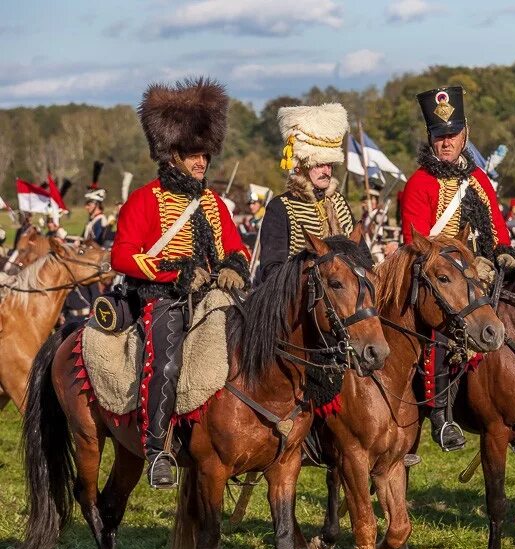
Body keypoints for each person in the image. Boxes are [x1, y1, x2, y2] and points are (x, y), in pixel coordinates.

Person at [110, 78, 250, 488]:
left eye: (205, 153)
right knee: (167, 359)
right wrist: (179, 272)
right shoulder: (144, 199)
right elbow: (122, 256)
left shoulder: (213, 203)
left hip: (213, 297)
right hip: (161, 296)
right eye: (193, 154)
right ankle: (157, 450)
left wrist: (233, 268)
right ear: (172, 154)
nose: (201, 161)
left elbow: (237, 248)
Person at [399, 85, 515, 452]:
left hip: (477, 270)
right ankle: (441, 415)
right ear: (430, 139)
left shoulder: (478, 180)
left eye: (452, 135)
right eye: (439, 136)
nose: (446, 142)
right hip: (435, 273)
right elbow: (415, 240)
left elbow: (496, 223)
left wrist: (503, 251)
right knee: (441, 324)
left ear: (465, 135)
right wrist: (462, 261)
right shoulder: (419, 183)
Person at [256, 103, 356, 283]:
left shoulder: (339, 203)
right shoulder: (280, 207)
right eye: (319, 165)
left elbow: (361, 254)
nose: (326, 171)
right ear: (301, 166)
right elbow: (271, 269)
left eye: (329, 165)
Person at [83, 161, 112, 247]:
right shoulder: (92, 221)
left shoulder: (100, 220)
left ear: (97, 204)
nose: (86, 207)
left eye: (89, 204)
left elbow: (97, 242)